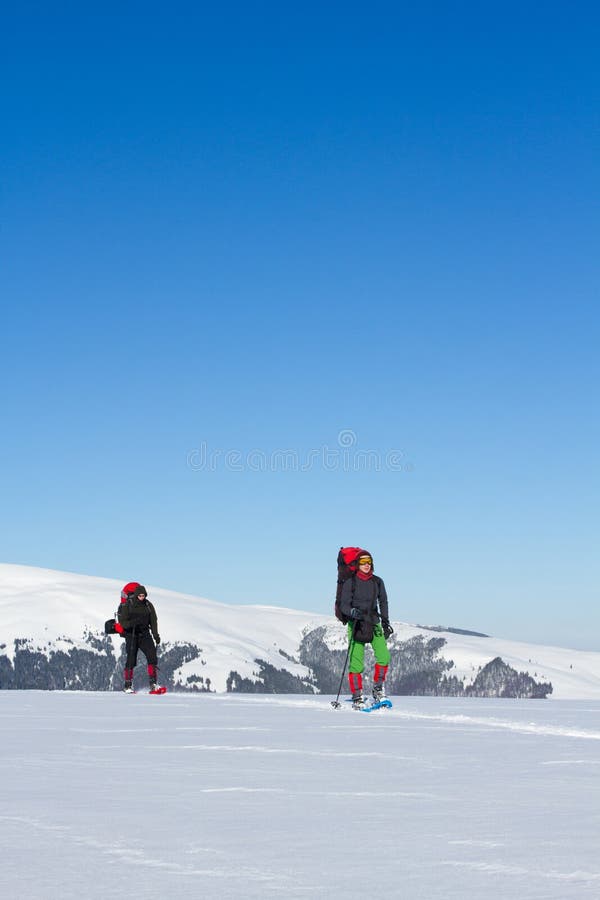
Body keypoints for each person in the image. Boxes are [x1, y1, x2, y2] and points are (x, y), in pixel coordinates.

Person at [339, 551, 393, 709]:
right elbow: (344, 604)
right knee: (356, 662)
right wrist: (351, 612)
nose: (366, 564)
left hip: (374, 622)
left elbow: (383, 601)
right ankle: (357, 695)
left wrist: (385, 622)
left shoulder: (378, 582)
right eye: (363, 562)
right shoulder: (351, 582)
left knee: (384, 656)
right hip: (356, 624)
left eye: (368, 561)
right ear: (357, 565)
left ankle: (378, 689)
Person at [116, 584, 162, 693]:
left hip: (145, 634)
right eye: (140, 595)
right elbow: (123, 623)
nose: (142, 597)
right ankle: (127, 685)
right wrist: (133, 623)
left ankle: (153, 684)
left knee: (152, 657)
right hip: (131, 634)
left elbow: (153, 621)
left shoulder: (148, 605)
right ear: (136, 595)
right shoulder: (128, 605)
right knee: (131, 659)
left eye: (143, 595)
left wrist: (156, 636)